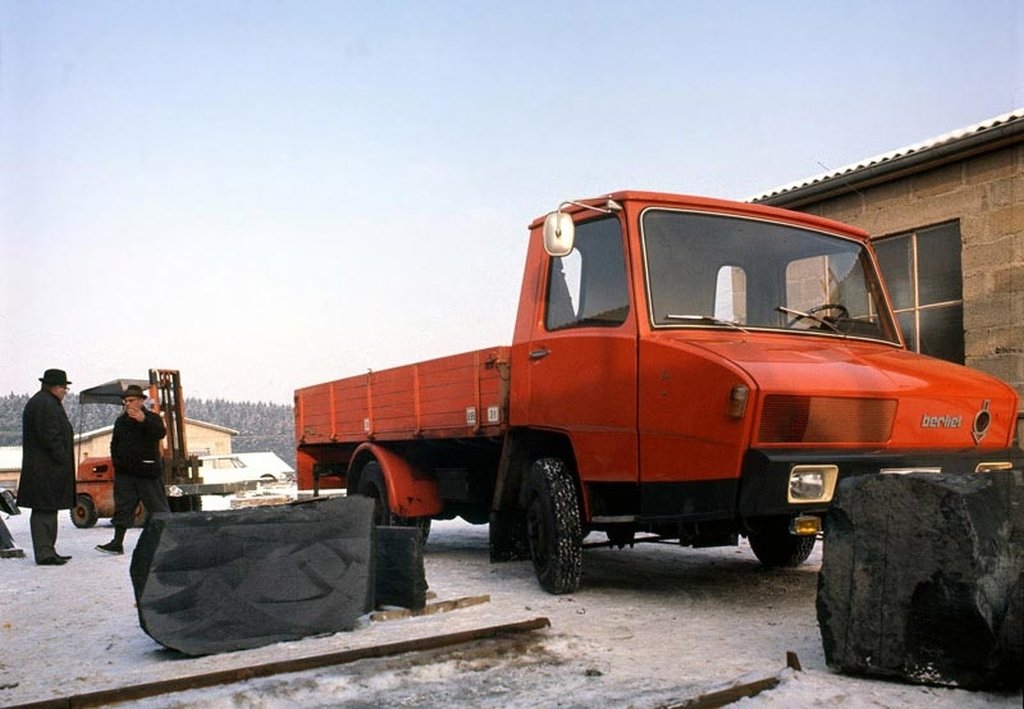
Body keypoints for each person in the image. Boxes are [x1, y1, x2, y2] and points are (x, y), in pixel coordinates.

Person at [96, 384, 170, 555]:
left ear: (141, 401)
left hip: (148, 472)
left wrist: (143, 420)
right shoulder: (121, 421)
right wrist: (117, 463)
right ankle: (117, 542)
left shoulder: (152, 418)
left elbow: (160, 433)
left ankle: (167, 542)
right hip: (126, 473)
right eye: (125, 401)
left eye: (131, 400)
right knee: (123, 508)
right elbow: (115, 444)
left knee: (158, 508)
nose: (128, 404)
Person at [19, 368, 76, 566]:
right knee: (44, 510)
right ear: (56, 387)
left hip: (45, 469)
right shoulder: (46, 404)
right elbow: (50, 436)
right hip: (46, 469)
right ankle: (45, 553)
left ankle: (48, 550)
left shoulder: (44, 402)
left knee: (48, 509)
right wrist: (62, 458)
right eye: (64, 388)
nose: (65, 392)